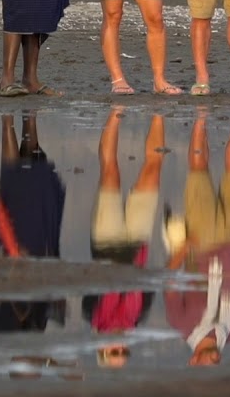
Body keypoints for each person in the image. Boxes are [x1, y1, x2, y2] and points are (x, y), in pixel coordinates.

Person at [164, 109, 230, 367]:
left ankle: (200, 116)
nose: (213, 366)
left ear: (194, 361)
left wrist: (184, 249)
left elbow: (169, 282)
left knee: (198, 170)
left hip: (201, 243)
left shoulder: (181, 325)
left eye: (206, 369)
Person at [81, 106, 166, 368]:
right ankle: (158, 111)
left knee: (110, 171)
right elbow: (148, 281)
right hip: (137, 240)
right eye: (123, 352)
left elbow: (90, 279)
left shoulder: (91, 315)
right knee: (153, 169)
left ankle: (114, 114)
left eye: (113, 352)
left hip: (106, 242)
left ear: (102, 349)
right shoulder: (139, 317)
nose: (120, 348)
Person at [0, 111, 67, 332]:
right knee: (30, 181)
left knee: (15, 180)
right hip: (34, 251)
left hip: (15, 252)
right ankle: (26, 116)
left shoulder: (3, 332)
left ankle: (10, 117)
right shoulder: (32, 327)